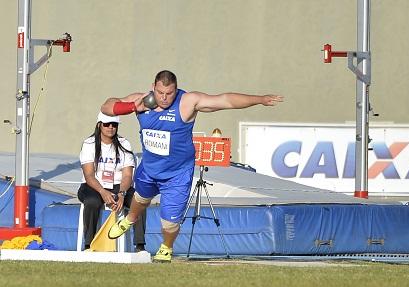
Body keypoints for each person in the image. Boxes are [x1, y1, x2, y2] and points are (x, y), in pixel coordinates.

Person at [101, 70, 283, 262]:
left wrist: (260, 99)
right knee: (140, 197)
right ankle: (130, 219)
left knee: (169, 223)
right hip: (150, 168)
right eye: (160, 93)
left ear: (176, 89)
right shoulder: (141, 101)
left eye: (169, 93)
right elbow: (106, 107)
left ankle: (166, 247)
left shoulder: (188, 102)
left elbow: (225, 100)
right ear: (153, 88)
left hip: (177, 174)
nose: (164, 98)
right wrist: (130, 106)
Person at [78, 112, 146, 252]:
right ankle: (88, 245)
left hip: (118, 186)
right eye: (107, 124)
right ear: (99, 125)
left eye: (114, 125)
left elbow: (128, 175)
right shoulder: (89, 144)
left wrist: (122, 192)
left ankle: (140, 245)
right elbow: (89, 175)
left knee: (139, 201)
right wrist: (103, 192)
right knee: (92, 202)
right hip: (94, 185)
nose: (110, 127)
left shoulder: (124, 143)